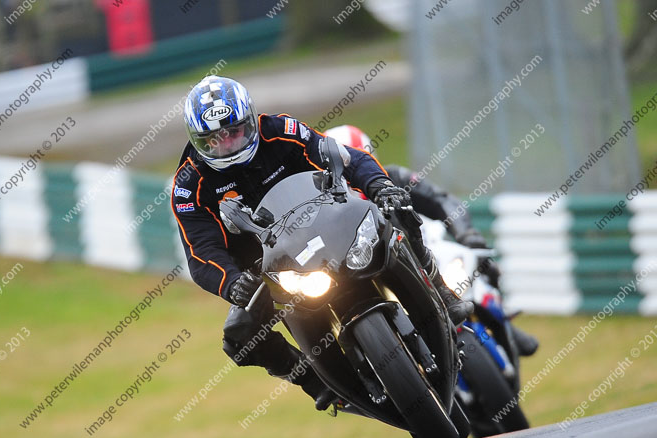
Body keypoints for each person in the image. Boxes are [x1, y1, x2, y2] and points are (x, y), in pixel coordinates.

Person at [171, 76, 473, 410]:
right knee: (238, 336)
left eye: (234, 131)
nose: (226, 143)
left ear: (251, 121)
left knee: (397, 208)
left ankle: (441, 291)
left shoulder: (280, 129)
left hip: (325, 223)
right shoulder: (189, 186)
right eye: (213, 139)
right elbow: (201, 253)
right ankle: (313, 381)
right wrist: (232, 284)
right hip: (265, 266)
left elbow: (348, 158)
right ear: (197, 140)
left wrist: (379, 186)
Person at [325, 125, 539, 357]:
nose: (349, 174)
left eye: (354, 161)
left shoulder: (394, 177)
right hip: (381, 273)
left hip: (429, 250)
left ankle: (503, 322)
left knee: (480, 261)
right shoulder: (331, 210)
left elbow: (441, 200)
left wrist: (466, 233)